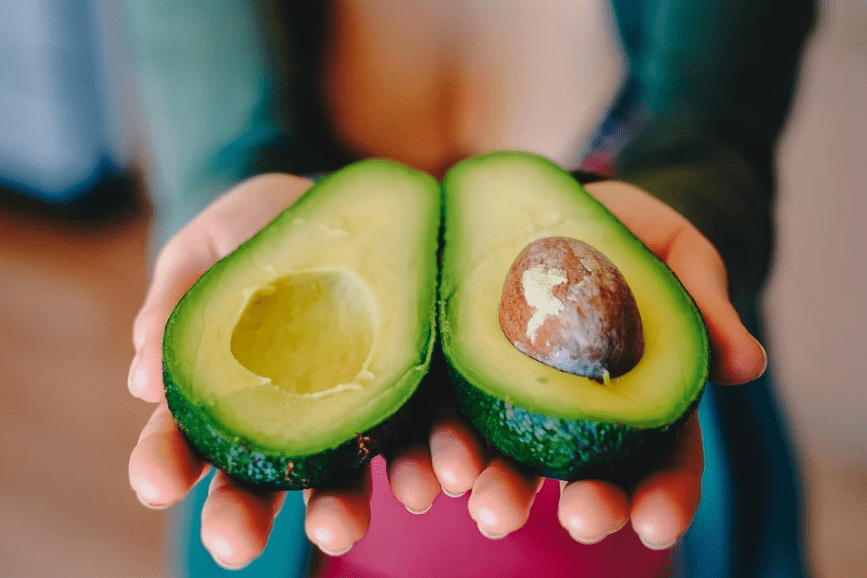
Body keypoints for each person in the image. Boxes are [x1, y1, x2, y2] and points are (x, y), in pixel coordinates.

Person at [122, 1, 814, 576]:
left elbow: (722, 139)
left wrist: (698, 214)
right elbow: (206, 121)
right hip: (315, 513)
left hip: (631, 498)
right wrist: (223, 202)